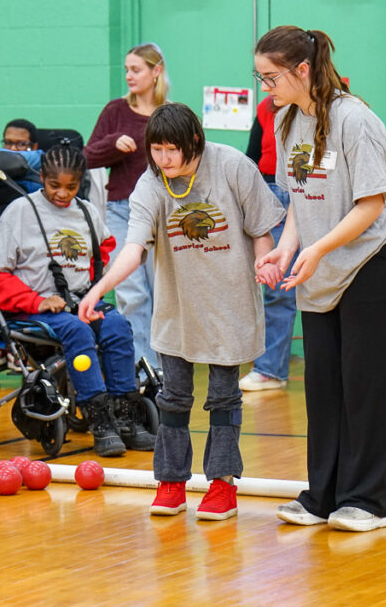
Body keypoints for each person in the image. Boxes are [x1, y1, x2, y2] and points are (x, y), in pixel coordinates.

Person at [79, 102, 285, 521]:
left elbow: (260, 230)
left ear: (194, 142)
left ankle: (222, 485)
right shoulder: (151, 185)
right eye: (156, 150)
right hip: (178, 309)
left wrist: (265, 262)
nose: (164, 160)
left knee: (224, 397)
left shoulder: (232, 166)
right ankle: (171, 481)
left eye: (172, 150)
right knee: (173, 397)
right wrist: (98, 288)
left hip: (230, 306)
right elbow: (133, 249)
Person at [254, 26, 386, 533]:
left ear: (302, 70)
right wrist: (288, 245)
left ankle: (368, 501)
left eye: (272, 77)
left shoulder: (355, 121)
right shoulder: (284, 121)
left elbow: (372, 204)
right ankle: (323, 494)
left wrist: (318, 247)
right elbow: (300, 197)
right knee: (323, 386)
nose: (265, 88)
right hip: (320, 267)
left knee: (366, 386)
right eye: (259, 78)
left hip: (370, 264)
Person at [0, 144, 154, 457]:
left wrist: (90, 291)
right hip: (34, 308)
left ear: (80, 183)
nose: (62, 194)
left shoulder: (86, 210)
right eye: (54, 185)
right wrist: (36, 300)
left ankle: (125, 414)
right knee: (77, 330)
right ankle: (98, 419)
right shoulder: (21, 212)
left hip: (79, 301)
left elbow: (104, 247)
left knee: (117, 325)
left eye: (71, 187)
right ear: (41, 177)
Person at [84, 42, 169, 370]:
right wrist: (113, 145)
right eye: (126, 70)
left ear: (156, 71)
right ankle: (142, 371)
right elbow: (88, 155)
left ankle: (164, 371)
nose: (129, 76)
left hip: (164, 215)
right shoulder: (115, 111)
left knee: (162, 295)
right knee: (132, 294)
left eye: (136, 70)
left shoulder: (170, 113)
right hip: (122, 210)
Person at [240, 96, 298, 391]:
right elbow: (250, 159)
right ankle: (270, 370)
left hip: (310, 193)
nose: (266, 85)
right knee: (275, 286)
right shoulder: (266, 108)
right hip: (272, 192)